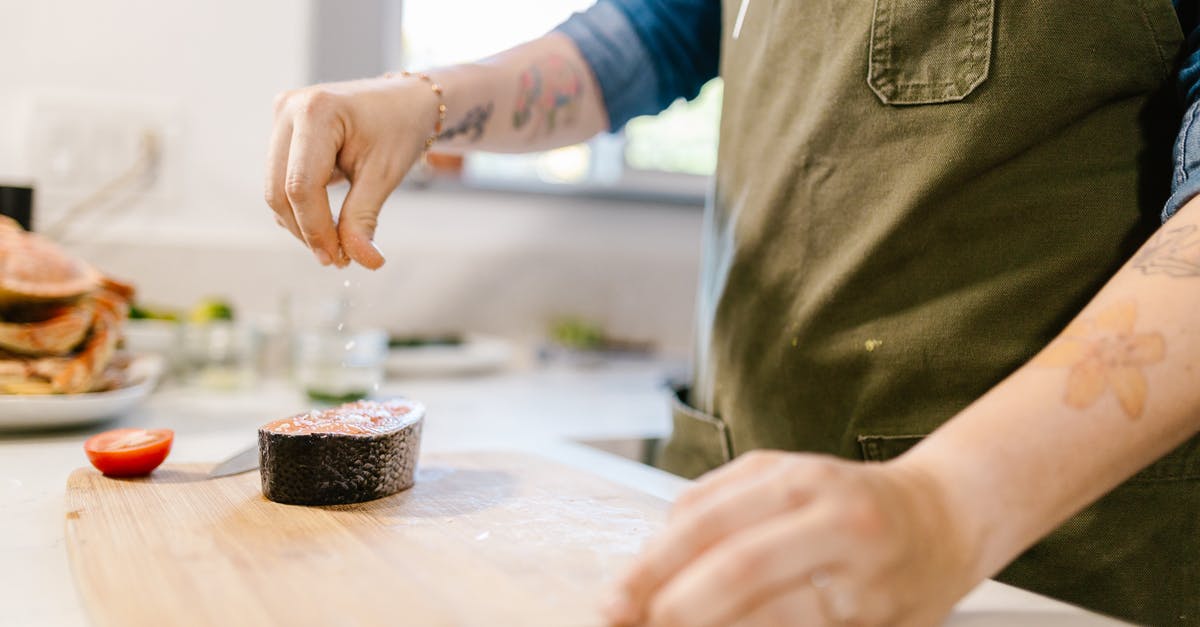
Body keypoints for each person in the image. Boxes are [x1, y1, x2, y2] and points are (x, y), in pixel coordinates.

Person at [264, 1, 1200, 624]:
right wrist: (426, 100)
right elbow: (653, 33)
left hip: (1037, 575)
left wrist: (947, 504)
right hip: (735, 525)